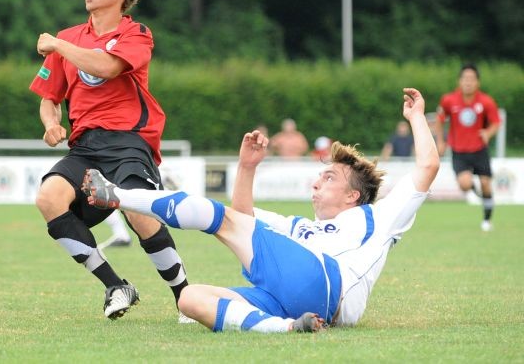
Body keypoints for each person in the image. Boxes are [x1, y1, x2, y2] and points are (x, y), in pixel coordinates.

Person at [83, 88, 439, 333]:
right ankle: (284, 329)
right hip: (290, 303)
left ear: (353, 196)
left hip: (328, 285)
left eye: (329, 177)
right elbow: (244, 218)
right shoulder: (297, 228)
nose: (317, 182)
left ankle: (119, 196)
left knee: (222, 219)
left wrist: (417, 117)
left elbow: (427, 167)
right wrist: (247, 168)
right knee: (190, 299)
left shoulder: (376, 217)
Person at [29, 0, 190, 321]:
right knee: (48, 198)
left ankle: (185, 296)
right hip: (85, 146)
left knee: (139, 211)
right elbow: (49, 98)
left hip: (129, 141)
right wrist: (51, 122)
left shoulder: (136, 34)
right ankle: (115, 285)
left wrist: (57, 45)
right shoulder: (69, 38)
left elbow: (106, 65)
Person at [434, 64, 501, 231]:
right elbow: (439, 120)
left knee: (486, 183)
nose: (468, 82)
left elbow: (496, 123)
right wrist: (441, 142)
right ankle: (473, 188)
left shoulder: (486, 101)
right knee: (464, 184)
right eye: (465, 79)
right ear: (460, 81)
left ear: (477, 82)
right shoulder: (449, 100)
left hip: (479, 149)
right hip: (458, 150)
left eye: (472, 79)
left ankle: (487, 220)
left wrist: (488, 132)